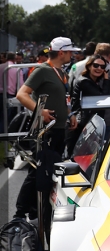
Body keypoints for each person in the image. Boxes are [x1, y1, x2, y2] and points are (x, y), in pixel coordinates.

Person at [14, 38, 79, 221]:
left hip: (58, 129)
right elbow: (22, 94)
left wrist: (69, 114)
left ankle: (38, 210)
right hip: (45, 131)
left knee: (48, 172)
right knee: (38, 171)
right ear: (61, 52)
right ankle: (20, 213)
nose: (72, 55)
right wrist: (39, 111)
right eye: (70, 52)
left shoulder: (60, 72)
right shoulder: (43, 70)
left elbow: (61, 99)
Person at [70, 55, 110, 147]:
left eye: (102, 67)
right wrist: (106, 80)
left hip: (90, 124)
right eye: (96, 65)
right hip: (83, 125)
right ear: (89, 66)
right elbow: (102, 99)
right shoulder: (84, 81)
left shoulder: (92, 81)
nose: (99, 68)